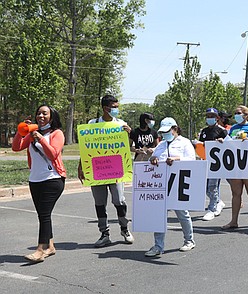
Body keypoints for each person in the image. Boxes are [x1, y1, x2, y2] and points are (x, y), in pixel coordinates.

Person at [78, 95, 134, 247]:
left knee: (119, 200)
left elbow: (127, 147)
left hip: (116, 169)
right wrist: (81, 166)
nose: (116, 109)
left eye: (117, 106)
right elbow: (86, 147)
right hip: (97, 169)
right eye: (113, 107)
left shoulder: (121, 124)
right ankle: (104, 233)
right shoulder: (93, 124)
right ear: (105, 108)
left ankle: (124, 229)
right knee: (99, 203)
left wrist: (130, 134)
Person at [12, 105, 66, 262]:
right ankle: (50, 246)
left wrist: (41, 138)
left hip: (53, 179)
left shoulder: (57, 133)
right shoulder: (31, 134)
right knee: (43, 215)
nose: (40, 116)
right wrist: (21, 131)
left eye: (45, 113)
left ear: (52, 116)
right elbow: (16, 147)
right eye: (38, 113)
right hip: (35, 179)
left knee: (44, 214)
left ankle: (40, 250)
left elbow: (54, 154)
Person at [145, 117, 196, 257]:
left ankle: (189, 240)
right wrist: (152, 159)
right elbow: (153, 158)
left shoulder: (185, 143)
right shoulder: (161, 144)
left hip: (179, 184)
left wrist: (177, 159)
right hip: (161, 184)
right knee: (159, 216)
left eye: (167, 131)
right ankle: (158, 246)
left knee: (182, 213)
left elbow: (192, 160)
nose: (164, 134)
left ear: (175, 129)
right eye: (163, 132)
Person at [221, 105, 248, 230]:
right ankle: (233, 221)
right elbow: (229, 143)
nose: (236, 115)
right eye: (235, 113)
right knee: (236, 193)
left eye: (239, 113)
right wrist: (221, 142)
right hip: (236, 164)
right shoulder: (233, 128)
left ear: (245, 115)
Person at [198, 108, 228, 221]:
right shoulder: (204, 131)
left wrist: (222, 141)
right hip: (206, 161)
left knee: (212, 186)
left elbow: (229, 144)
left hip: (217, 163)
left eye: (212, 116)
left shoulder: (221, 130)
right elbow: (201, 145)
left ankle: (212, 208)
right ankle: (217, 201)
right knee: (206, 188)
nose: (210, 118)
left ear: (217, 118)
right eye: (208, 116)